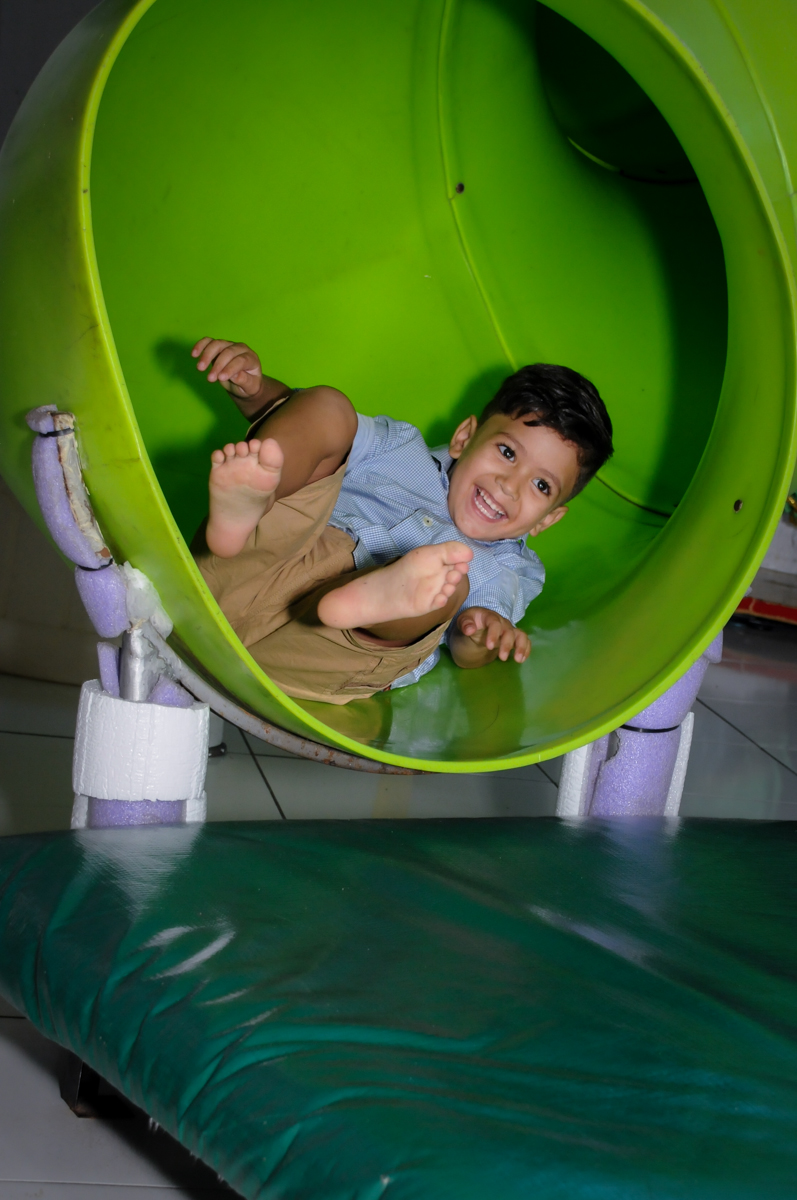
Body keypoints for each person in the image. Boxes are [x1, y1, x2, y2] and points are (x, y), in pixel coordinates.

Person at [190, 338, 613, 704]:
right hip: (260, 560)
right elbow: (310, 428)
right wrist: (254, 389)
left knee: (449, 581)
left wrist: (482, 633)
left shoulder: (507, 569)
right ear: (465, 438)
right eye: (507, 452)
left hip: (319, 651)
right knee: (331, 406)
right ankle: (253, 504)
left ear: (549, 519)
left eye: (541, 485)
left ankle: (378, 601)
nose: (510, 486)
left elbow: (467, 648)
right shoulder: (400, 449)